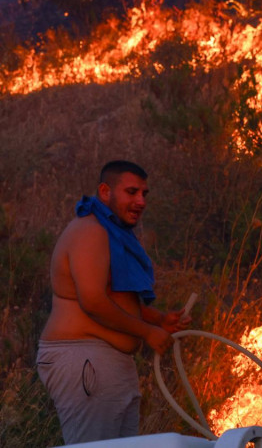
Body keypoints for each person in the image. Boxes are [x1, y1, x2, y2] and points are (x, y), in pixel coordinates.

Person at [36, 160, 190, 445]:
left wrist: (157, 320)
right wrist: (147, 332)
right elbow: (93, 301)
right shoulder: (90, 231)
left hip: (108, 363)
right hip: (84, 357)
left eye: (145, 194)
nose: (140, 201)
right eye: (131, 192)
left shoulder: (113, 233)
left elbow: (116, 295)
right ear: (105, 191)